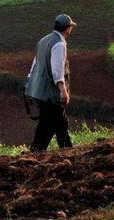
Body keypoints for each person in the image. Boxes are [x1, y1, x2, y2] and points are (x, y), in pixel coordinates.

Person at [24, 13, 77, 152]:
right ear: (67, 29)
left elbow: (36, 63)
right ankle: (65, 150)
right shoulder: (59, 44)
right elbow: (57, 69)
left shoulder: (43, 40)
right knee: (58, 122)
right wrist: (63, 90)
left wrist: (30, 81)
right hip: (50, 92)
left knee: (50, 123)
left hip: (39, 91)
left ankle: (40, 150)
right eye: (70, 27)